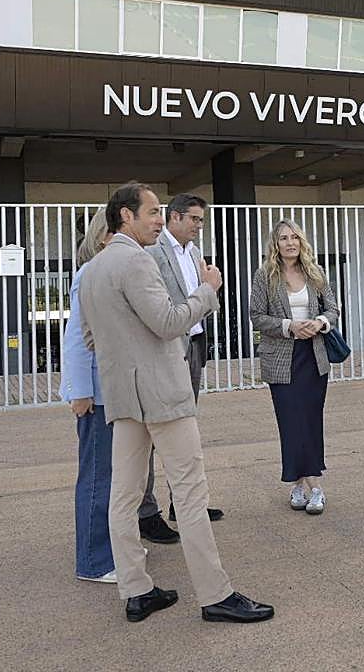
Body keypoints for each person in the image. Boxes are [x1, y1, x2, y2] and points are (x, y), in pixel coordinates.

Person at [81, 182, 273, 624]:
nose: (157, 221)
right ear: (125, 216)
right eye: (151, 212)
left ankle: (136, 590)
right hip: (163, 397)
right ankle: (215, 595)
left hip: (123, 399)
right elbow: (169, 323)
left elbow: (92, 339)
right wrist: (207, 291)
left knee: (123, 496)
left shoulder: (92, 270)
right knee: (189, 492)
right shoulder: (137, 261)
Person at [142, 192, 223, 532]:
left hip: (194, 345)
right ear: (173, 217)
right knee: (154, 430)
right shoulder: (152, 254)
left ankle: (185, 504)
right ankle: (146, 511)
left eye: (201, 220)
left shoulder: (194, 255)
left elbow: (204, 300)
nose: (198, 226)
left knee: (185, 429)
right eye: (193, 219)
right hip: (166, 350)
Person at [249, 219, 339, 515]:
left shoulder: (316, 273)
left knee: (311, 421)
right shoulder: (265, 276)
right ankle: (316, 488)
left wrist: (320, 322)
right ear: (275, 244)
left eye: (294, 237)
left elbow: (333, 308)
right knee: (291, 421)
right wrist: (289, 326)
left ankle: (299, 485)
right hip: (281, 359)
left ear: (301, 241)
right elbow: (257, 316)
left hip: (313, 357)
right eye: (283, 238)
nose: (289, 243)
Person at [60, 211, 117, 584]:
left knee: (114, 477)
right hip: (95, 395)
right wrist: (80, 391)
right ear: (102, 237)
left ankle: (112, 547)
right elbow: (77, 340)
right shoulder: (89, 276)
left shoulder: (109, 274)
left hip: (112, 392)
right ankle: (94, 561)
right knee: (97, 476)